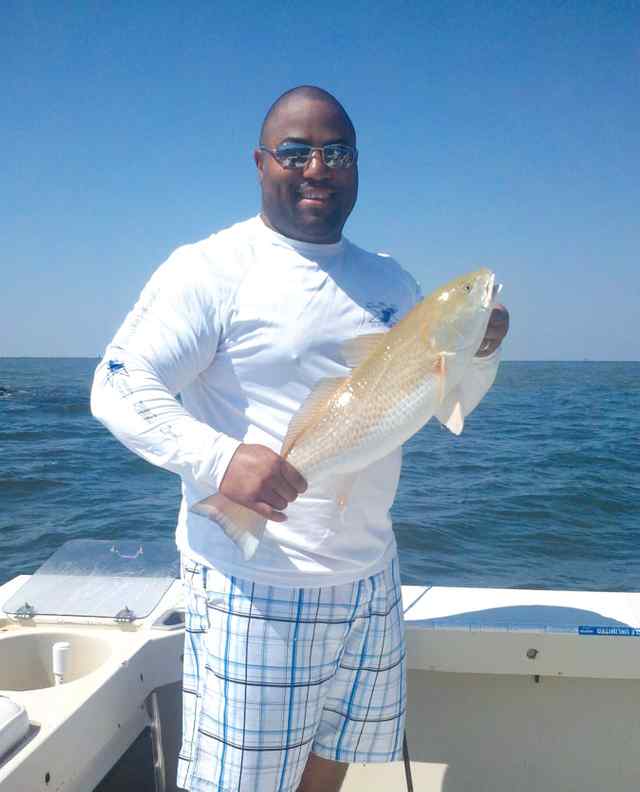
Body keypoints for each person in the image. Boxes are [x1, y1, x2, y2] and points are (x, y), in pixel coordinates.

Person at [91, 85, 509, 792]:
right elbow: (116, 384)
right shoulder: (211, 269)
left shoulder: (390, 280)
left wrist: (481, 351)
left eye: (337, 152)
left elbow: (450, 404)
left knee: (334, 762)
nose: (318, 166)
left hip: (373, 577)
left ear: (357, 166)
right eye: (296, 151)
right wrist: (221, 460)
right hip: (255, 585)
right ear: (261, 163)